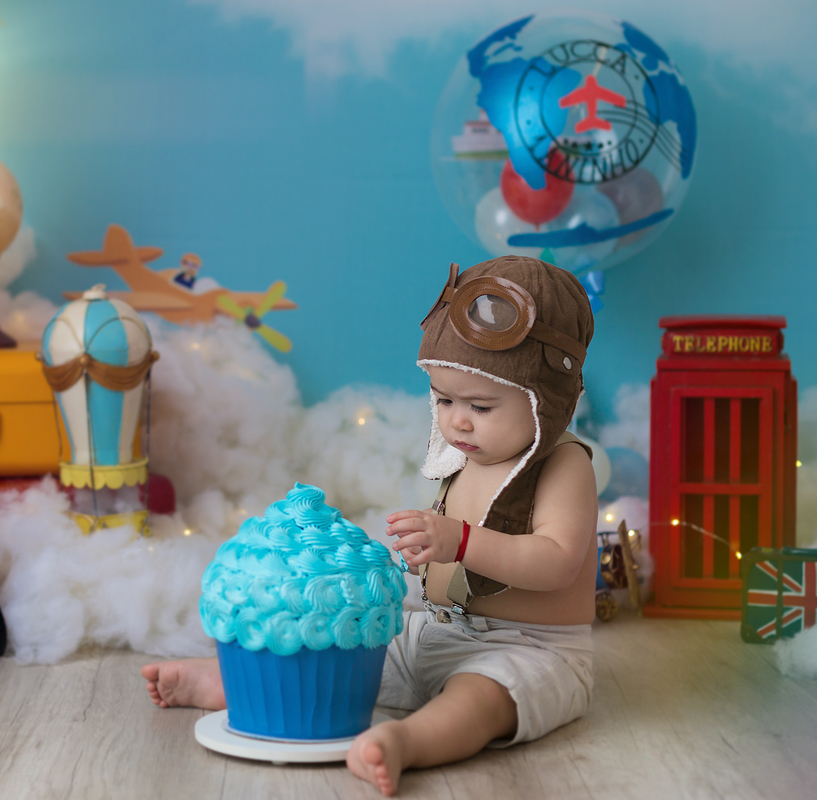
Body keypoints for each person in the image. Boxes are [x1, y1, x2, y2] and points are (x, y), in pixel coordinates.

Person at [143, 255, 597, 797]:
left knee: (485, 696)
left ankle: (410, 741)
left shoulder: (563, 464)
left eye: (480, 405)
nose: (457, 419)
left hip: (531, 648)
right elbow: (452, 559)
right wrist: (421, 553)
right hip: (442, 630)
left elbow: (557, 562)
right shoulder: (472, 452)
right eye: (444, 399)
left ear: (546, 404)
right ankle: (232, 685)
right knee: (356, 645)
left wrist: (459, 541)